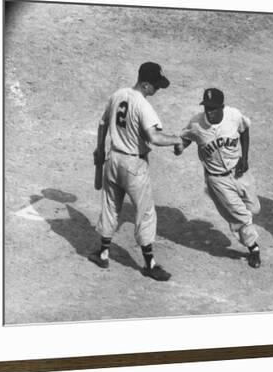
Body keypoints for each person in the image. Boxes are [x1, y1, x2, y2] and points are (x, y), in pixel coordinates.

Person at [88, 62, 184, 281]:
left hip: (113, 159)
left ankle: (102, 252)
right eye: (156, 86)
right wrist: (176, 139)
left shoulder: (118, 94)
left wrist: (100, 149)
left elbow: (102, 124)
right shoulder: (143, 105)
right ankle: (149, 264)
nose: (158, 90)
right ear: (145, 84)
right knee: (146, 212)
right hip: (134, 165)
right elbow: (154, 138)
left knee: (110, 206)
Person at [174, 88, 262, 268]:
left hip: (239, 171)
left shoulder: (234, 115)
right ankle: (254, 249)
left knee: (255, 208)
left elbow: (244, 131)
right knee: (242, 217)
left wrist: (244, 158)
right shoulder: (197, 124)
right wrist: (179, 147)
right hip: (217, 179)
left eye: (213, 108)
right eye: (207, 108)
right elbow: (185, 138)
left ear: (222, 106)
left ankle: (236, 218)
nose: (210, 112)